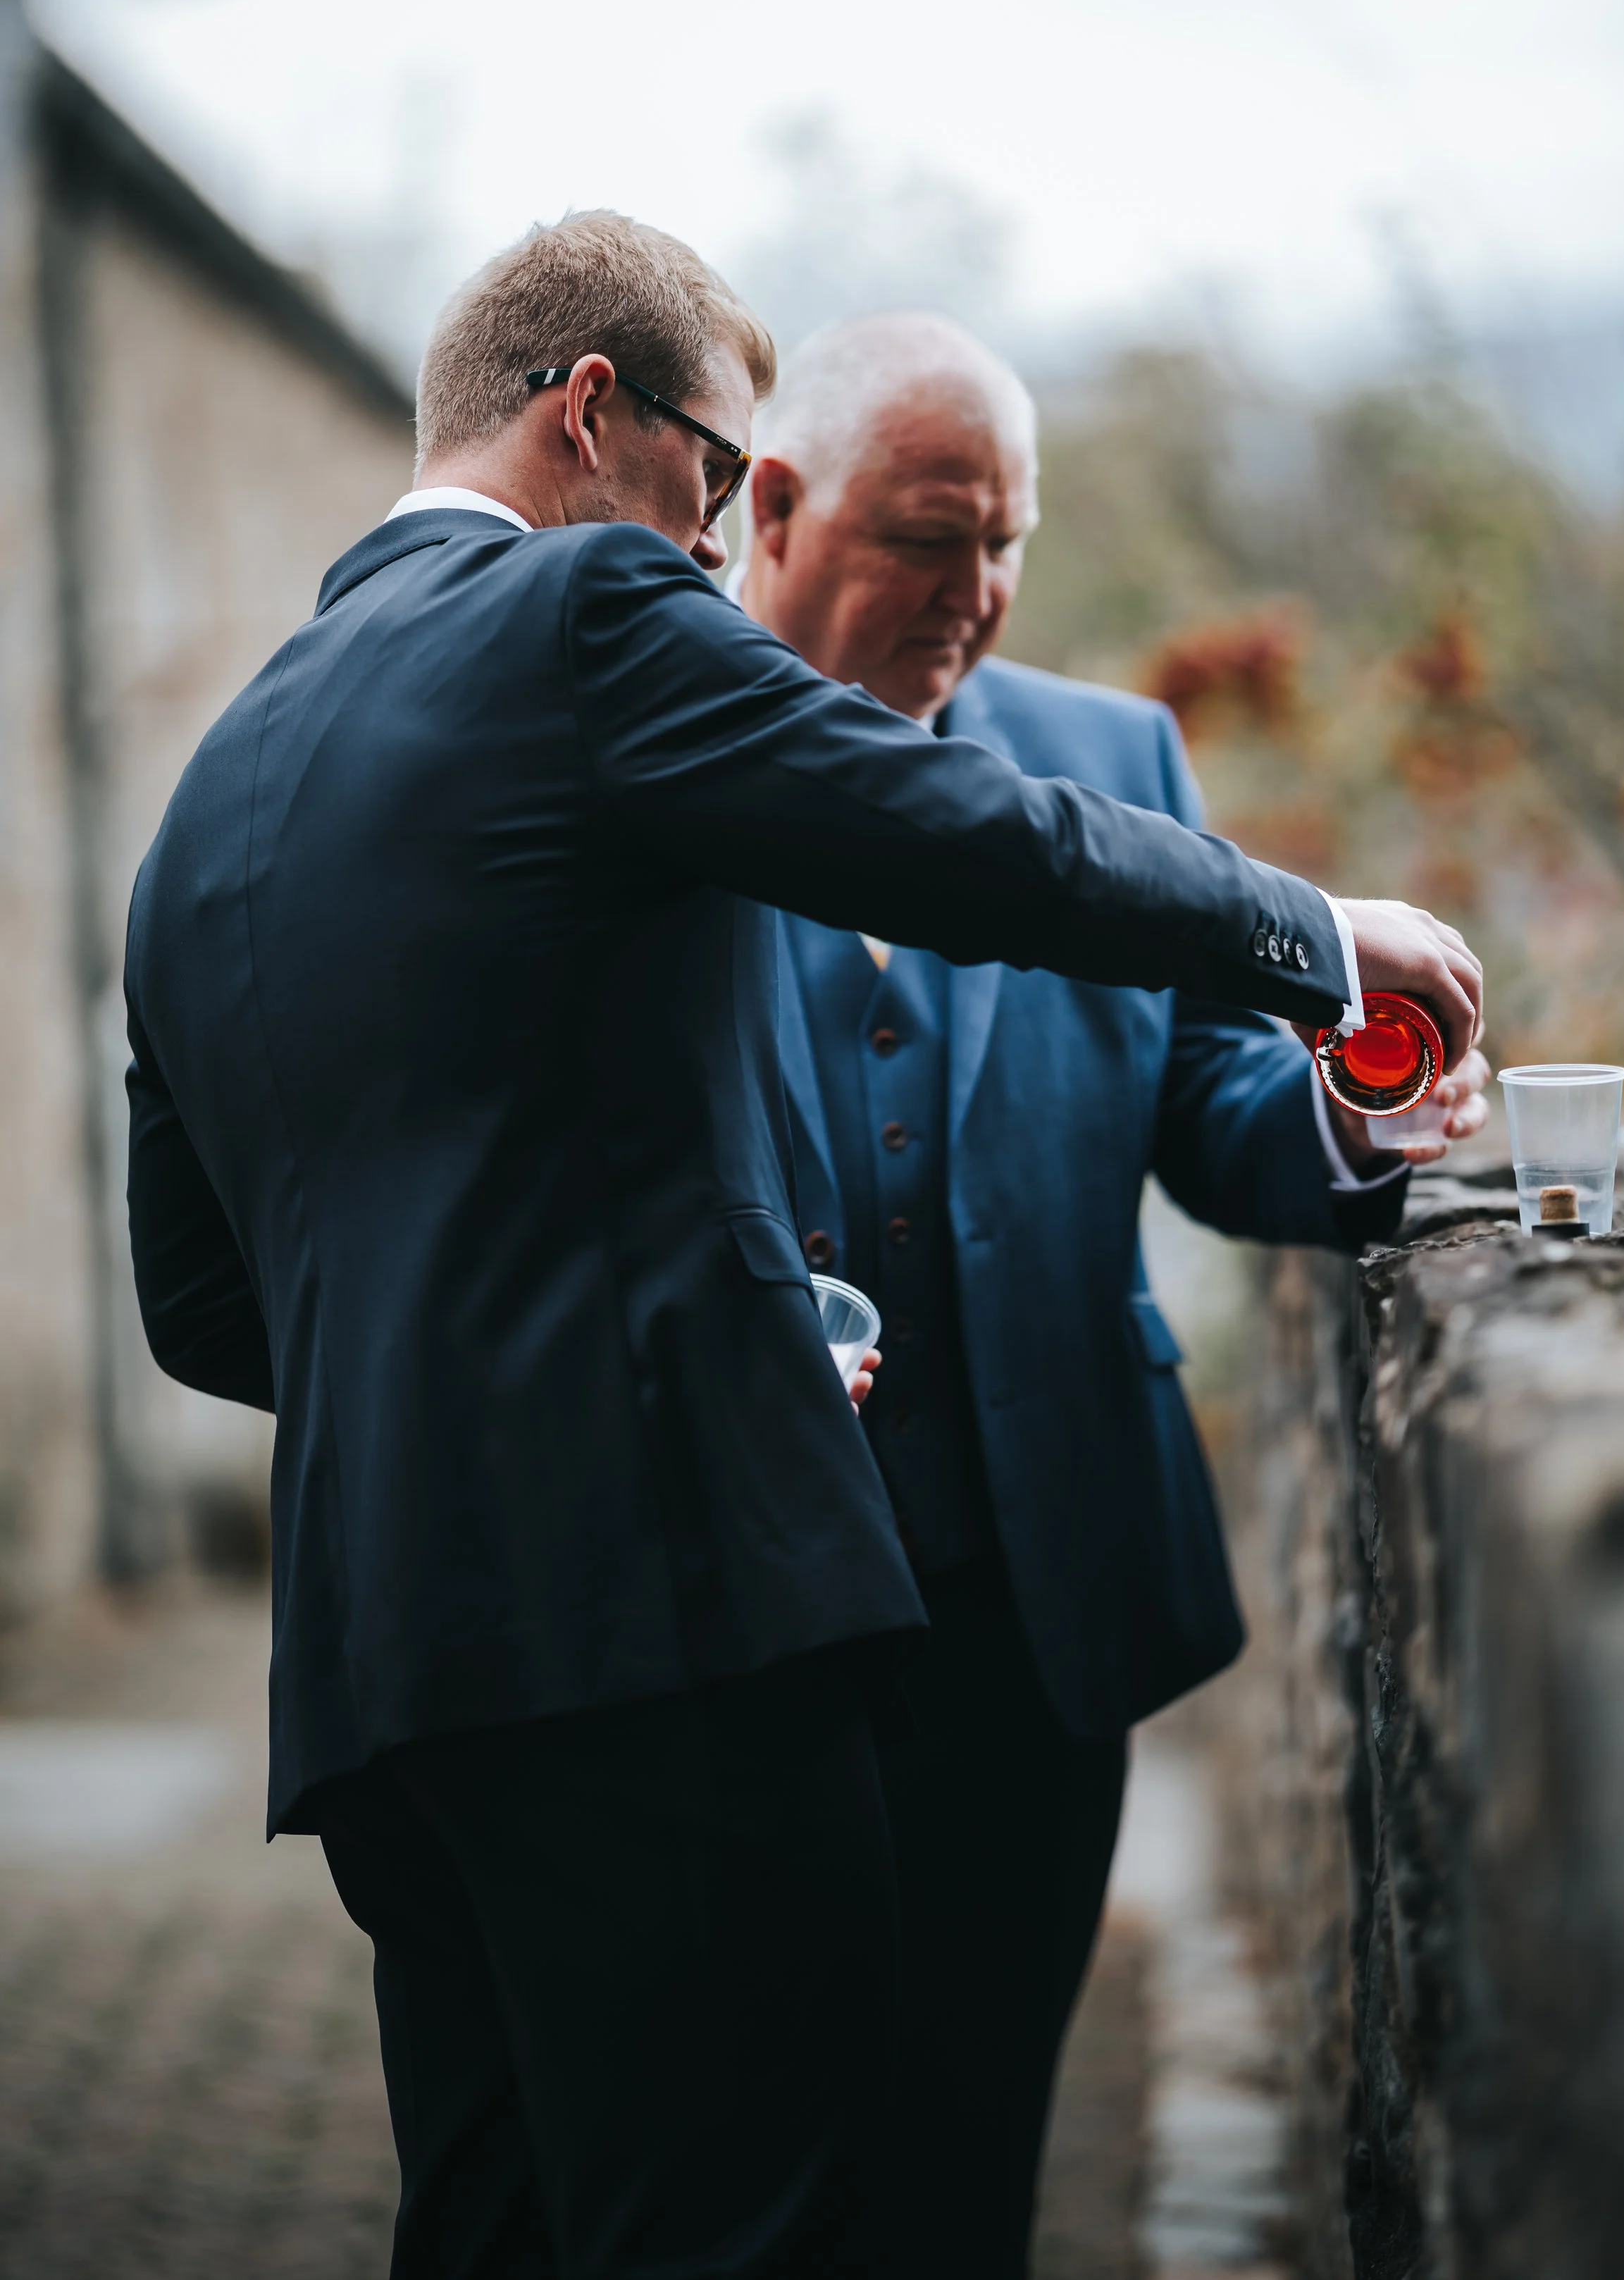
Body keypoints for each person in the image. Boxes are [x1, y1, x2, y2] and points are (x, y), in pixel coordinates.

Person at [124, 215, 1483, 2280]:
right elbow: (966, 835)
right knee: (752, 2223)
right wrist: (1310, 934)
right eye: (706, 481)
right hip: (660, 1633)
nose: (708, 552)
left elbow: (209, 1301)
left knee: (494, 2228)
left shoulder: (214, 795)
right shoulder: (579, 608)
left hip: (395, 1662)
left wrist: (522, 1349)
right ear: (592, 415)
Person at [736, 311, 1491, 2280]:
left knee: (977, 2137)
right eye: (926, 534)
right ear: (776, 502)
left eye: (1006, 540)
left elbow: (1211, 1108)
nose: (975, 593)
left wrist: (1341, 1107)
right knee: (757, 2159)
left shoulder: (1106, 756)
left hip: (1037, 1599)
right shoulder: (660, 779)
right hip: (748, 1624)